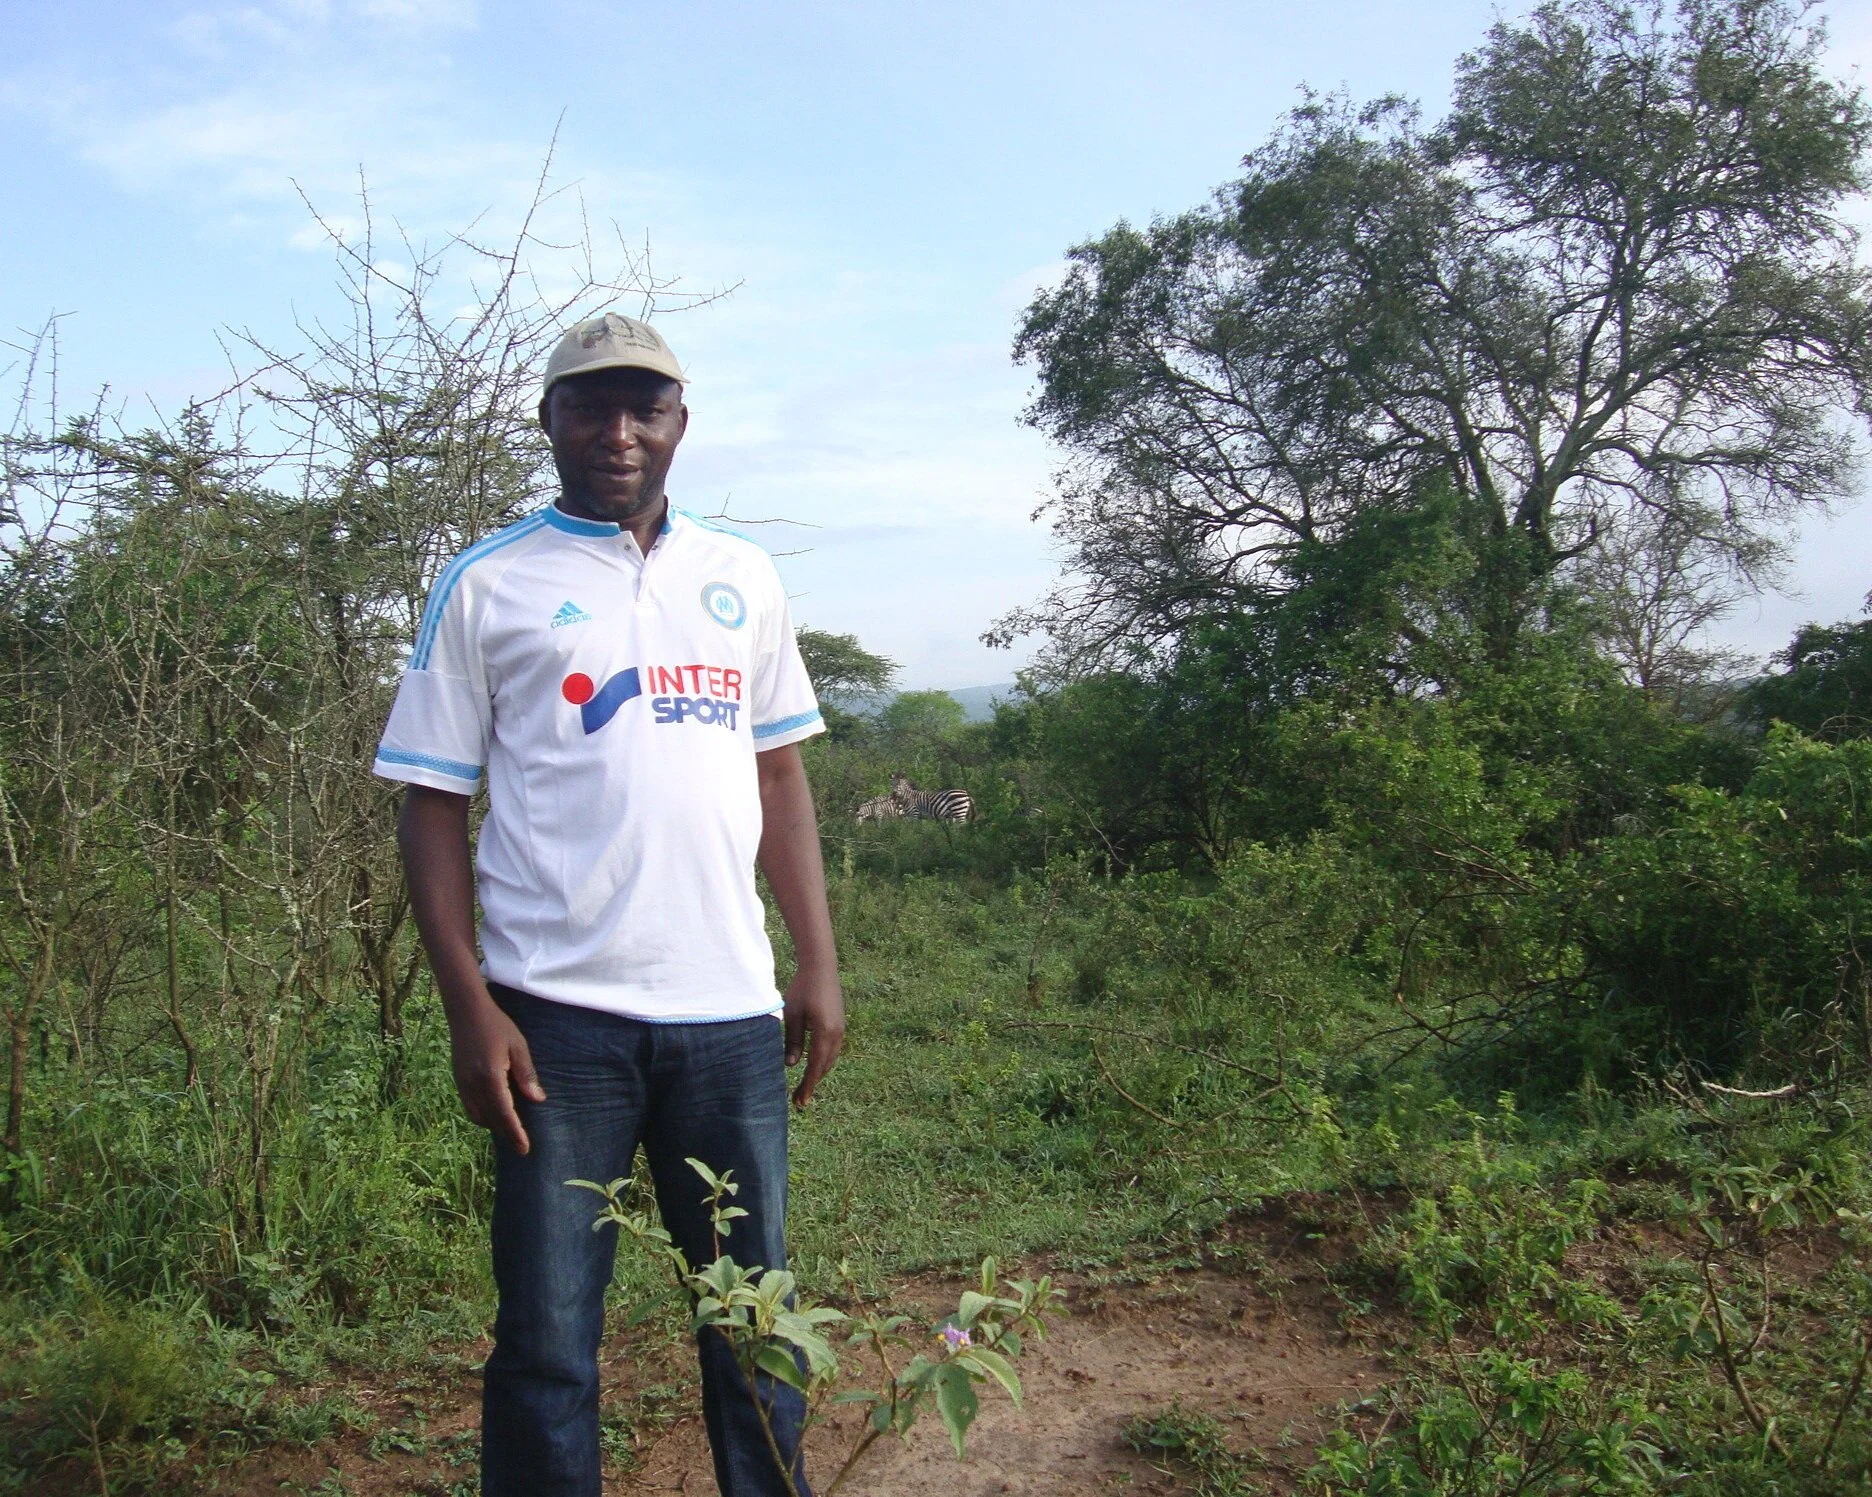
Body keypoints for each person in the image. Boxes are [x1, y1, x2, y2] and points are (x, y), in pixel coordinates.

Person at [374, 312, 843, 1497]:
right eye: (589, 405)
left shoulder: (741, 577)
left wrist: (817, 963)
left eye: (645, 407)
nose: (617, 431)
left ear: (682, 423)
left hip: (728, 1021)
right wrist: (469, 1007)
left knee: (753, 1324)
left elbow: (779, 776)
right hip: (554, 1026)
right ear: (549, 420)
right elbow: (432, 803)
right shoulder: (487, 583)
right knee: (546, 1343)